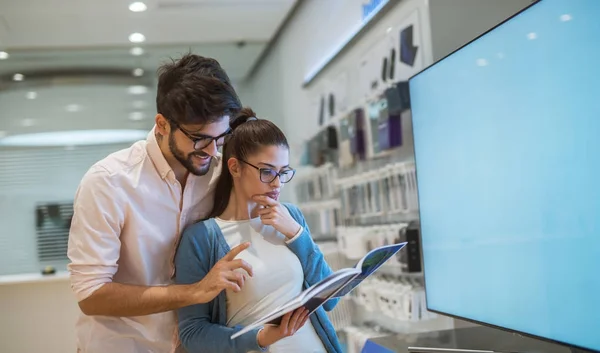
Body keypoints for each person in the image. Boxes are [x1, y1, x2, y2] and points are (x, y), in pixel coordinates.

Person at [67, 53, 255, 353]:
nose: (210, 150)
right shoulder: (108, 182)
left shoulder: (218, 172)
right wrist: (195, 292)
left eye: (220, 137)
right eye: (198, 138)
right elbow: (91, 295)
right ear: (162, 124)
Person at [173, 108, 343, 353]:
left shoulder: (291, 216)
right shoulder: (201, 239)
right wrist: (260, 337)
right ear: (234, 167)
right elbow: (193, 333)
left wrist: (296, 234)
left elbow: (331, 299)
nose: (277, 183)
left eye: (283, 172)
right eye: (267, 171)